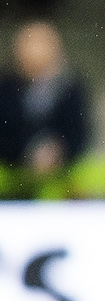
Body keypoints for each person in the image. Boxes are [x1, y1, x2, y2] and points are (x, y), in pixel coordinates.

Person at [0, 21, 93, 196]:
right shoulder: (6, 88)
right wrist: (27, 153)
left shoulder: (69, 88)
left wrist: (56, 151)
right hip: (12, 186)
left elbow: (78, 133)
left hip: (63, 183)